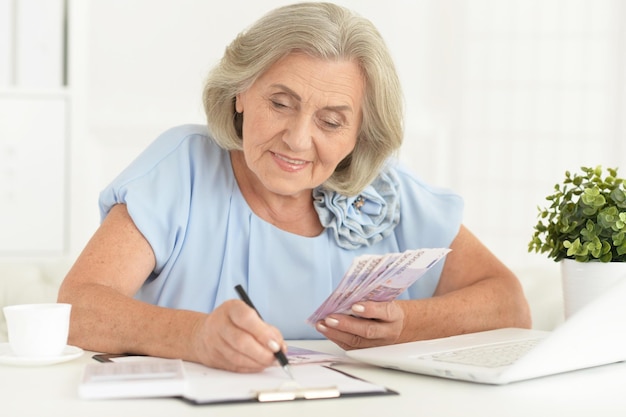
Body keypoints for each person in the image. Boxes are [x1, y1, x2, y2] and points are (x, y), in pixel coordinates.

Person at [58, 2, 531, 373]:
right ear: (241, 92)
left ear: (358, 134)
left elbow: (508, 303)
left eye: (331, 121)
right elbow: (77, 306)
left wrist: (407, 324)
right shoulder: (183, 167)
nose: (298, 139)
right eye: (281, 103)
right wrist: (195, 336)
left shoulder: (385, 191)